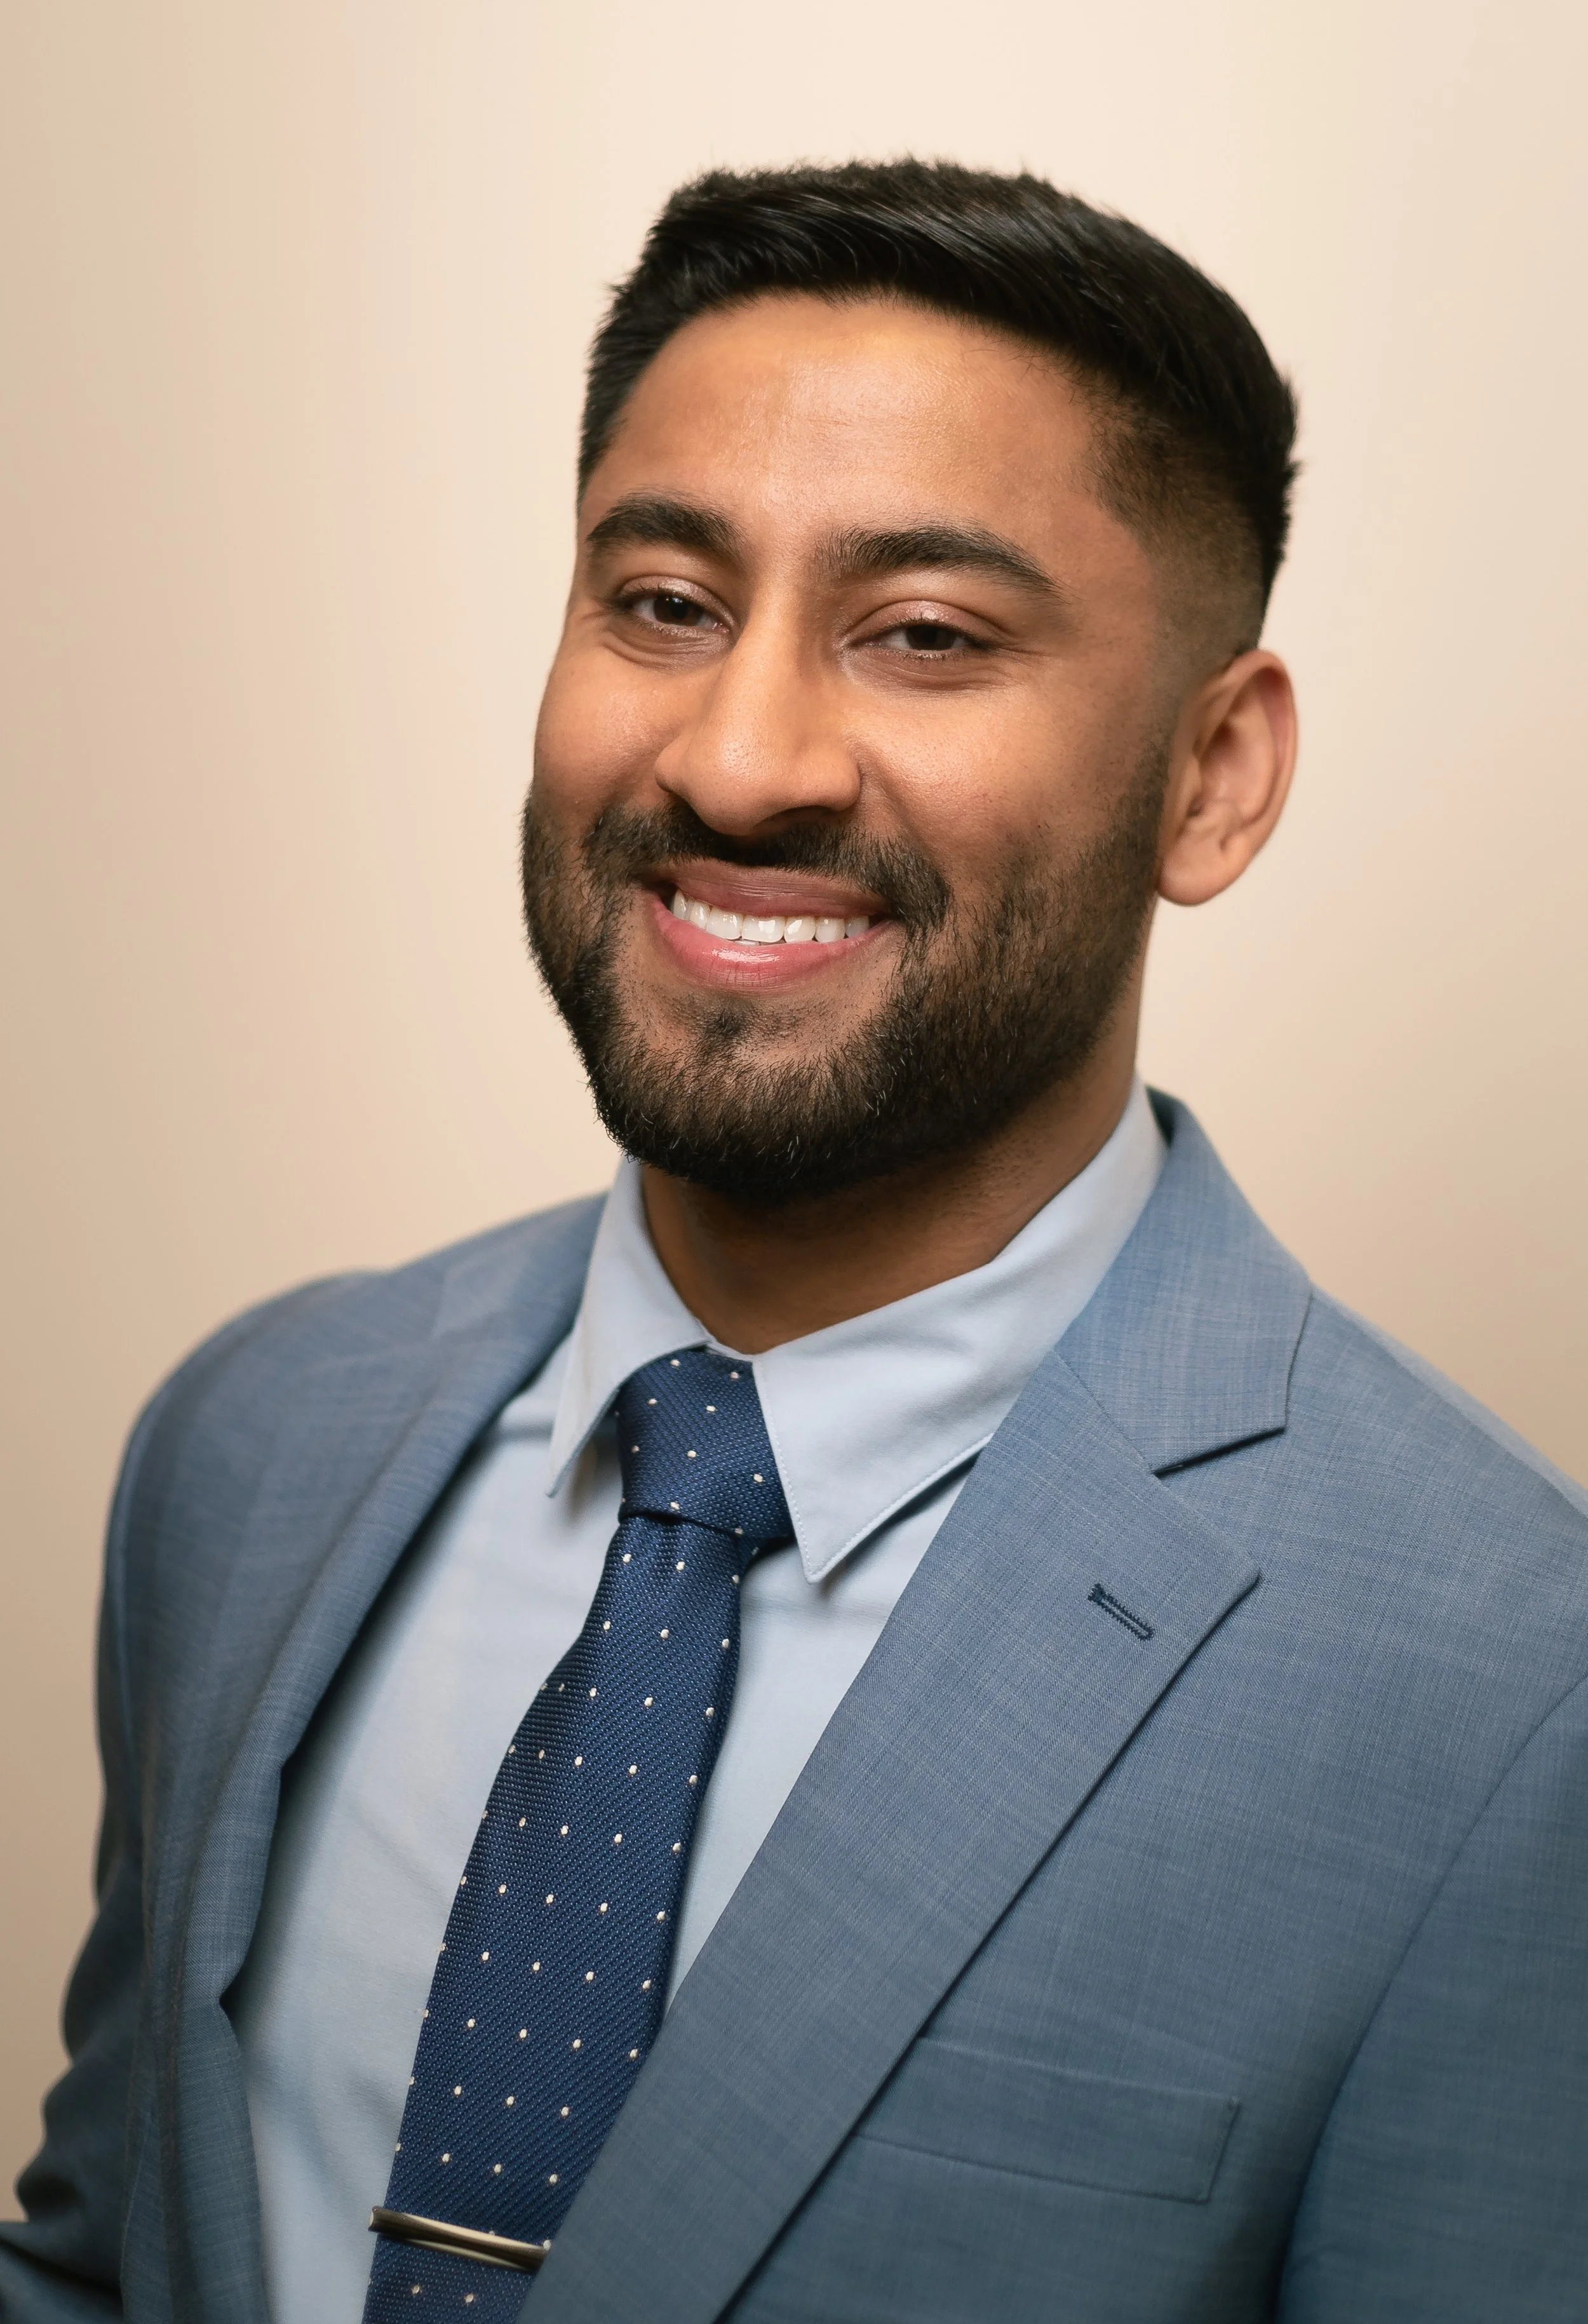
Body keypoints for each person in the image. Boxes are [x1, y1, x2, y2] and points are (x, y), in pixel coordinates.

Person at [4, 160, 1585, 2324]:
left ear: (1212, 777)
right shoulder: (255, 1442)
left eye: (924, 634)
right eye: (660, 602)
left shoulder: (1513, 1696)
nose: (738, 758)